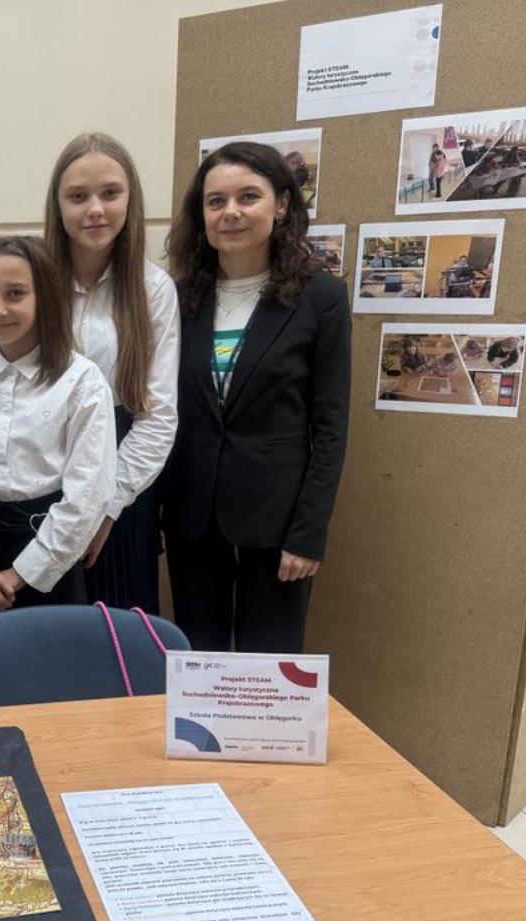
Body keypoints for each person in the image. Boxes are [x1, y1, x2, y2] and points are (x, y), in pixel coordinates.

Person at [162, 141, 351, 654]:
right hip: (193, 517)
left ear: (282, 204)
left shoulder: (320, 298)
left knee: (268, 672)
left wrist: (308, 534)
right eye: (216, 201)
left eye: (248, 196)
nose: (231, 212)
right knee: (198, 663)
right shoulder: (179, 298)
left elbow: (330, 428)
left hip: (278, 522)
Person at [0, 235, 116, 626]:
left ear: (46, 296)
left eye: (15, 294)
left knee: (49, 662)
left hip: (51, 556)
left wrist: (19, 576)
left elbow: (88, 494)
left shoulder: (83, 382)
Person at [43, 132, 179, 613]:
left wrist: (104, 506)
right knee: (45, 633)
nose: (95, 209)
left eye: (110, 193)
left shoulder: (153, 289)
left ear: (130, 200)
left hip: (121, 484)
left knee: (116, 632)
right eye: (78, 196)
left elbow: (158, 417)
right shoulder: (32, 282)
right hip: (44, 474)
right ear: (58, 205)